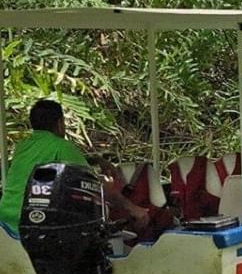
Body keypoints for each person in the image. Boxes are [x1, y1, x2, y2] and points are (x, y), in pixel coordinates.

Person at [0, 99, 149, 235]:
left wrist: (96, 160)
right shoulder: (62, 146)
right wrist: (133, 209)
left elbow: (50, 160)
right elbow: (95, 186)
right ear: (59, 124)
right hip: (36, 226)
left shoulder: (23, 147)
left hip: (6, 223)